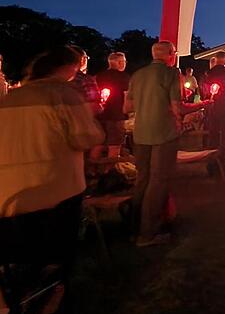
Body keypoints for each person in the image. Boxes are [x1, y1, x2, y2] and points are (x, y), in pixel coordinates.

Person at [0, 47, 104, 303]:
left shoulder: (11, 97)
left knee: (20, 248)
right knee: (56, 251)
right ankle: (53, 293)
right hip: (55, 186)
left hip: (9, 190)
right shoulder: (63, 94)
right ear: (68, 68)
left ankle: (20, 291)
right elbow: (84, 136)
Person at [124, 41, 183, 247]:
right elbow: (177, 108)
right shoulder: (171, 73)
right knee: (158, 181)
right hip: (163, 133)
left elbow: (127, 106)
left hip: (140, 133)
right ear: (170, 55)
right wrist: (200, 106)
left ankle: (133, 228)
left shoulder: (137, 75)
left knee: (143, 179)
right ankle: (148, 233)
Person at [95, 52, 130, 158]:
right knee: (114, 145)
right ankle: (111, 169)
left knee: (98, 143)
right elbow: (127, 96)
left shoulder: (98, 76)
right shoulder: (124, 77)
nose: (125, 64)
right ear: (119, 62)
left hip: (99, 115)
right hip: (116, 115)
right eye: (124, 61)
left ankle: (92, 170)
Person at [69, 45, 103, 115]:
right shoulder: (85, 79)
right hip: (79, 121)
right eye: (86, 58)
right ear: (82, 59)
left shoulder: (53, 79)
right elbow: (95, 107)